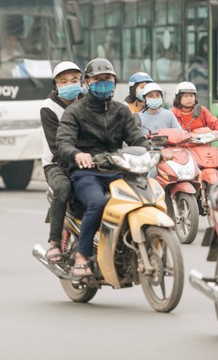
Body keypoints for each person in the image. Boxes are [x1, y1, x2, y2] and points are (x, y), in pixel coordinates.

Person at [56, 58, 148, 280]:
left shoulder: (121, 111)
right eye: (98, 80)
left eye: (107, 79)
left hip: (117, 171)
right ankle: (81, 256)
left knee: (144, 197)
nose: (103, 83)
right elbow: (64, 142)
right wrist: (77, 154)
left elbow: (136, 138)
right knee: (97, 202)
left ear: (114, 83)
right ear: (87, 83)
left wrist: (152, 151)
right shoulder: (75, 112)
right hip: (86, 173)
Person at [40, 61, 83, 263]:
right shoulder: (48, 108)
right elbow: (55, 146)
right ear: (56, 85)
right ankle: (54, 242)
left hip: (87, 160)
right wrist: (76, 158)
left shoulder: (88, 102)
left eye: (74, 80)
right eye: (64, 81)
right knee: (63, 189)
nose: (69, 84)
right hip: (56, 163)